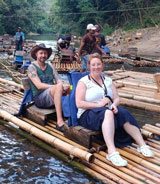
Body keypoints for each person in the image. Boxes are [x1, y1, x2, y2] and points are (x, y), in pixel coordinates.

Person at [75, 53, 154, 167]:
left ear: (102, 65)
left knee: (124, 113)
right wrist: (99, 105)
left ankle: (142, 145)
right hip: (87, 114)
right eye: (93, 65)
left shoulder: (108, 80)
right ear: (89, 66)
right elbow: (79, 103)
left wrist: (114, 105)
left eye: (98, 64)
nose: (96, 67)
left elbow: (116, 98)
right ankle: (112, 152)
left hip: (106, 110)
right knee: (108, 113)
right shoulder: (83, 82)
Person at [27, 43, 70, 132]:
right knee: (59, 87)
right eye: (41, 53)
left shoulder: (50, 66)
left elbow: (58, 79)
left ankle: (68, 115)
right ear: (36, 54)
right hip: (40, 98)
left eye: (45, 53)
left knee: (70, 87)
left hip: (52, 94)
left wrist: (62, 85)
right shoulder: (32, 68)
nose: (43, 55)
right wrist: (58, 87)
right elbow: (39, 86)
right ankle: (59, 122)